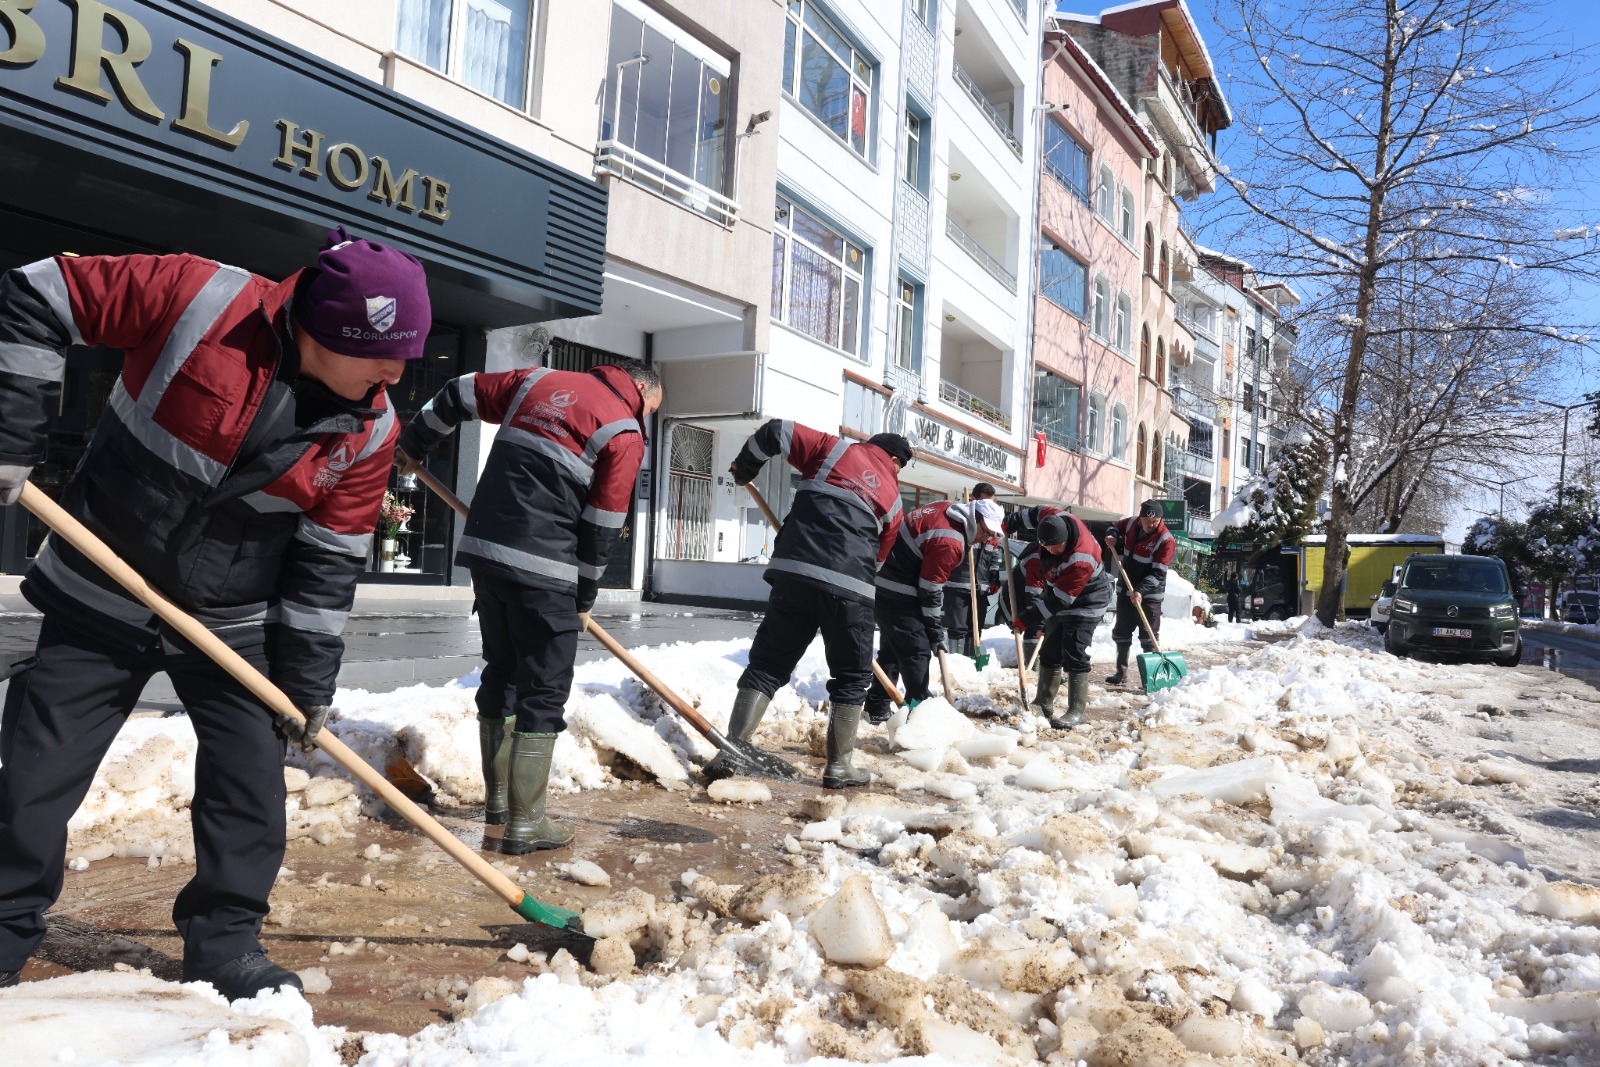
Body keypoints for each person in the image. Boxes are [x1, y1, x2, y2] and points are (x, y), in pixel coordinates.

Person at [0, 229, 430, 999]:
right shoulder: (199, 299)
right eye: (382, 351)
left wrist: (303, 682)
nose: (398, 371)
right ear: (320, 330)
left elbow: (327, 564)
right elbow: (37, 292)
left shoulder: (373, 429)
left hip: (235, 618)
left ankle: (226, 942)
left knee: (248, 779)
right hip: (105, 579)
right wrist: (10, 436)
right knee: (36, 768)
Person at [398, 358, 661, 853]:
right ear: (641, 388)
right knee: (543, 688)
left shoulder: (536, 381)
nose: (645, 416)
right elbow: (603, 524)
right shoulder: (625, 431)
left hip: (487, 554)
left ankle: (499, 808)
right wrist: (583, 596)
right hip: (547, 571)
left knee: (502, 672)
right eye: (650, 407)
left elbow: (457, 390)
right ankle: (526, 823)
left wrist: (414, 444)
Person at [710, 423, 909, 789]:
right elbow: (878, 560)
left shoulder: (831, 448)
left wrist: (747, 466)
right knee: (851, 678)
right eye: (900, 466)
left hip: (795, 574)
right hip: (851, 588)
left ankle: (732, 750)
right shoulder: (894, 500)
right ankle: (840, 767)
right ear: (895, 460)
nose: (895, 472)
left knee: (768, 664)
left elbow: (776, 431)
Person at [867, 497, 1006, 724]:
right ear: (975, 518)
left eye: (992, 535)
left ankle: (877, 704)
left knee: (893, 648)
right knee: (917, 650)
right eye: (986, 531)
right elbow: (930, 590)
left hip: (887, 579)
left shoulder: (948, 508)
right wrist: (934, 630)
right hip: (898, 587)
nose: (987, 538)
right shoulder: (950, 541)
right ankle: (919, 707)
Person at [1017, 513, 1113, 728]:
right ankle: (1043, 702)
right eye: (1048, 547)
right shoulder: (1055, 526)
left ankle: (1077, 711)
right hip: (1060, 595)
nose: (1052, 551)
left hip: (1088, 601)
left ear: (1066, 540)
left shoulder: (1081, 558)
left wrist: (1028, 618)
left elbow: (1061, 600)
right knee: (1049, 649)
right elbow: (1040, 511)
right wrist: (1011, 522)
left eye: (1056, 547)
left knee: (1074, 650)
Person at [1104, 500, 1176, 685]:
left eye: (1154, 521)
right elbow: (1114, 526)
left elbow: (1158, 573)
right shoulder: (1130, 523)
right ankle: (1121, 672)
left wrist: (1141, 591)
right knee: (1122, 631)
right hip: (1126, 589)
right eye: (1146, 521)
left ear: (1161, 519)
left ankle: (1151, 677)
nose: (1150, 525)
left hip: (1150, 593)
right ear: (1140, 518)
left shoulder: (1165, 540)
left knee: (1148, 635)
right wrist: (1112, 536)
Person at [999, 503, 1065, 664]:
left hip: (1041, 595)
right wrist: (1037, 626)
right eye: (1052, 548)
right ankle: (1031, 668)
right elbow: (1032, 599)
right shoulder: (1037, 560)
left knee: (1050, 625)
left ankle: (1047, 667)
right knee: (1032, 624)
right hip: (1016, 597)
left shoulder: (1067, 556)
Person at [941, 483, 998, 657]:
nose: (988, 507)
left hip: (979, 588)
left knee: (975, 628)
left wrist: (993, 578)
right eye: (984, 502)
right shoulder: (962, 521)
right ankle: (957, 663)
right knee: (957, 628)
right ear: (973, 500)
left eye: (991, 503)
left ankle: (972, 660)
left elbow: (993, 556)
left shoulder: (991, 525)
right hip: (957, 585)